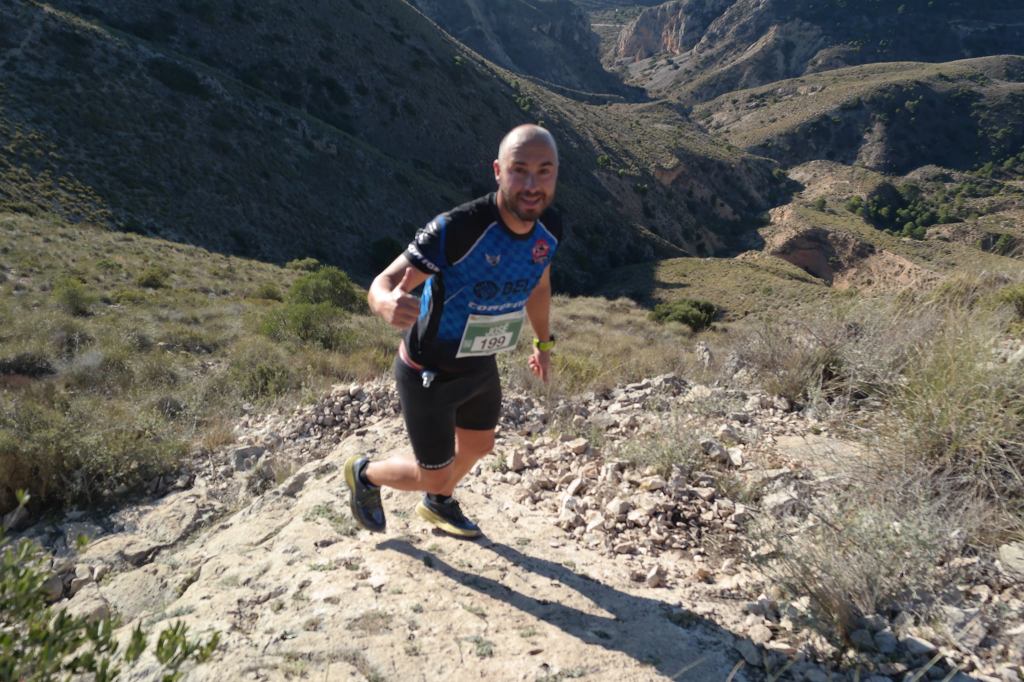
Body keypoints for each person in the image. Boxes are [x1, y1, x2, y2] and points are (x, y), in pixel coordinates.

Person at [344, 124, 562, 538]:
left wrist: (543, 344)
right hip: (430, 369)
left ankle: (438, 502)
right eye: (519, 170)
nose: (532, 185)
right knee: (433, 474)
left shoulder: (549, 227)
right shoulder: (457, 229)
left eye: (544, 171)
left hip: (480, 362)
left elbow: (539, 286)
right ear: (498, 171)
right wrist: (386, 302)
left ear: (556, 174)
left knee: (480, 446)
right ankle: (366, 474)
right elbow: (384, 282)